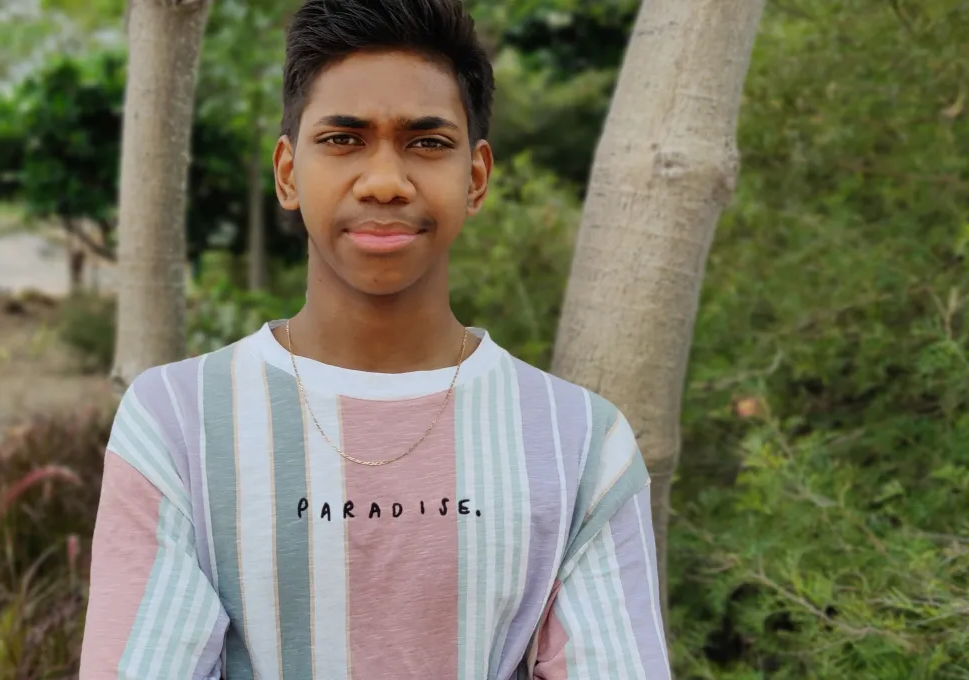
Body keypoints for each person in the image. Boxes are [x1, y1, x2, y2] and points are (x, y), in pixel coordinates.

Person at [79, 0, 671, 677]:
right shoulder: (176, 424)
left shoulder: (583, 446)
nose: (386, 181)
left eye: (427, 142)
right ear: (288, 173)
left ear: (475, 177)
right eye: (343, 139)